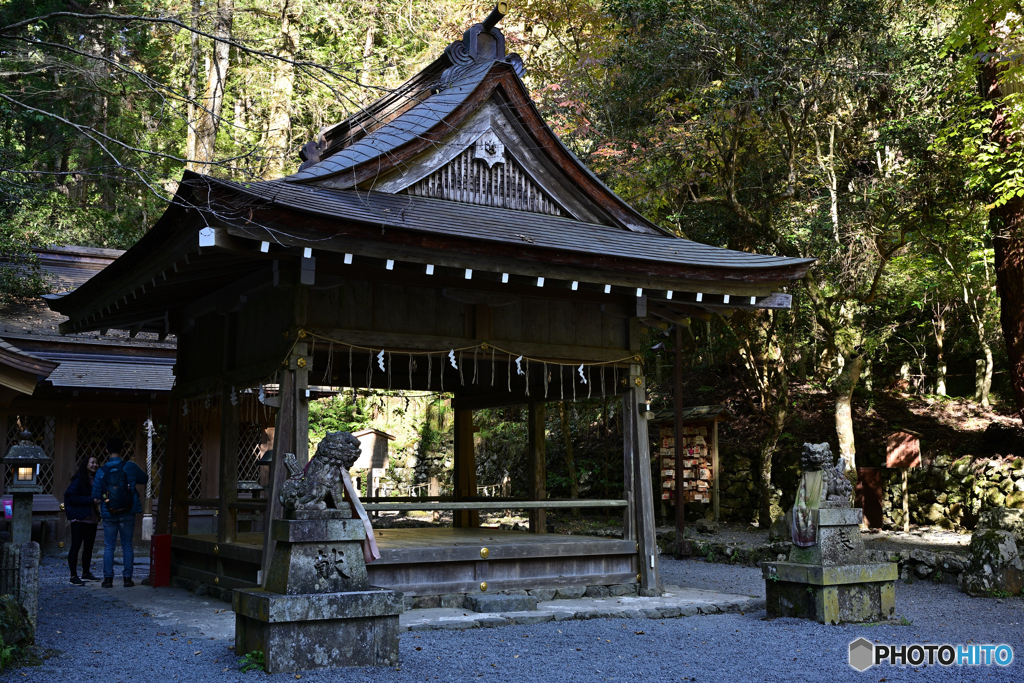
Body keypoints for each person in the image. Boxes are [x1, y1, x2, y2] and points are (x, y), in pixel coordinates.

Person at [92, 437, 148, 587]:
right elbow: (145, 478)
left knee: (109, 545)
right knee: (127, 545)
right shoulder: (130, 466)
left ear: (106, 451)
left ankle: (108, 579)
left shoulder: (101, 471)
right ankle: (128, 578)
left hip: (109, 512)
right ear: (123, 450)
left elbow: (96, 495)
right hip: (128, 511)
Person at [64, 456, 101, 585]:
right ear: (86, 464)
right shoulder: (79, 479)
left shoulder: (96, 479)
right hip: (79, 518)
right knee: (76, 546)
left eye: (96, 463)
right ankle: (73, 575)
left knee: (89, 547)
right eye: (92, 463)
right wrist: (91, 500)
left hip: (92, 518)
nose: (95, 465)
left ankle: (86, 573)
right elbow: (71, 497)